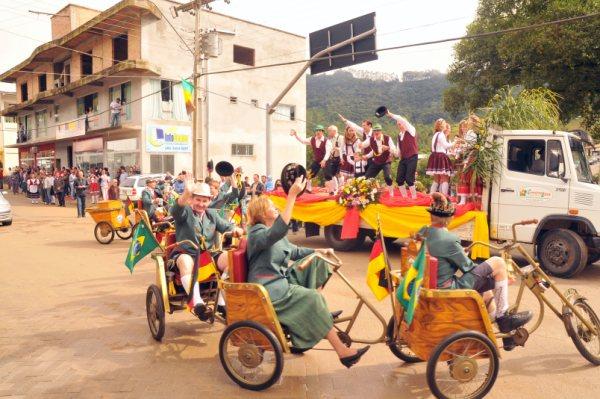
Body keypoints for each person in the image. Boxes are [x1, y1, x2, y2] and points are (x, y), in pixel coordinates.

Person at [246, 177, 370, 366]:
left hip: (282, 280)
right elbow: (280, 229)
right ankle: (343, 351)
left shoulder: (272, 231)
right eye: (272, 206)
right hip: (270, 289)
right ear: (262, 214)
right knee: (313, 298)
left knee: (318, 262)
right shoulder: (257, 232)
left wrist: (318, 251)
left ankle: (315, 309)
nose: (275, 208)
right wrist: (292, 196)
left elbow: (294, 251)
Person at [420, 193, 533, 350]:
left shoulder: (424, 232)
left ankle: (507, 333)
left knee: (487, 292)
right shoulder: (449, 239)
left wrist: (460, 253)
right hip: (447, 288)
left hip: (430, 282)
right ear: (450, 218)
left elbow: (444, 256)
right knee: (498, 264)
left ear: (431, 215)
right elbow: (467, 267)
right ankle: (503, 316)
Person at [170, 180, 244, 321]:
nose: (201, 204)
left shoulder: (212, 215)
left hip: (208, 254)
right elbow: (175, 210)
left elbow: (227, 227)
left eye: (205, 200)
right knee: (185, 261)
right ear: (192, 199)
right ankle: (198, 304)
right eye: (198, 199)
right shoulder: (185, 211)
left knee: (232, 259)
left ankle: (221, 302)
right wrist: (186, 193)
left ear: (210, 201)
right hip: (186, 253)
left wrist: (235, 229)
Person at [384, 110, 419, 199]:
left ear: (404, 123)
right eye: (398, 124)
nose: (399, 125)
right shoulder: (399, 135)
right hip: (403, 159)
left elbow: (400, 118)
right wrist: (388, 149)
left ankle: (414, 198)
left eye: (400, 123)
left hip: (412, 157)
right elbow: (398, 152)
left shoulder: (411, 130)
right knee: (399, 180)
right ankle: (405, 198)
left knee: (409, 179)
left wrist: (390, 114)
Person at [361, 123, 397, 196]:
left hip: (386, 161)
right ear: (373, 132)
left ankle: (391, 194)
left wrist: (388, 148)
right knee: (366, 178)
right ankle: (367, 195)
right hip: (376, 162)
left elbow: (394, 150)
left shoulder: (387, 138)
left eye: (378, 130)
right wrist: (366, 156)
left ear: (381, 131)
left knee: (388, 178)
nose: (376, 132)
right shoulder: (371, 139)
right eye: (375, 131)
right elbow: (368, 148)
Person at [290, 125, 327, 192]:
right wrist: (296, 135)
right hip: (317, 161)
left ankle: (333, 190)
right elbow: (303, 141)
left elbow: (329, 151)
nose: (318, 132)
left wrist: (324, 160)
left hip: (326, 160)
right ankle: (308, 189)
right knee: (309, 174)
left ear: (322, 132)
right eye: (317, 130)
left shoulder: (326, 141)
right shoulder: (312, 139)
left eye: (319, 130)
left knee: (329, 174)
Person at [426, 119, 454, 196]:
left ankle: (431, 196)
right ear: (442, 125)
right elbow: (446, 146)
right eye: (445, 124)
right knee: (444, 178)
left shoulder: (435, 134)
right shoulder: (441, 134)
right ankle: (443, 197)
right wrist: (455, 142)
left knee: (436, 179)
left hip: (434, 156)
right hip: (441, 157)